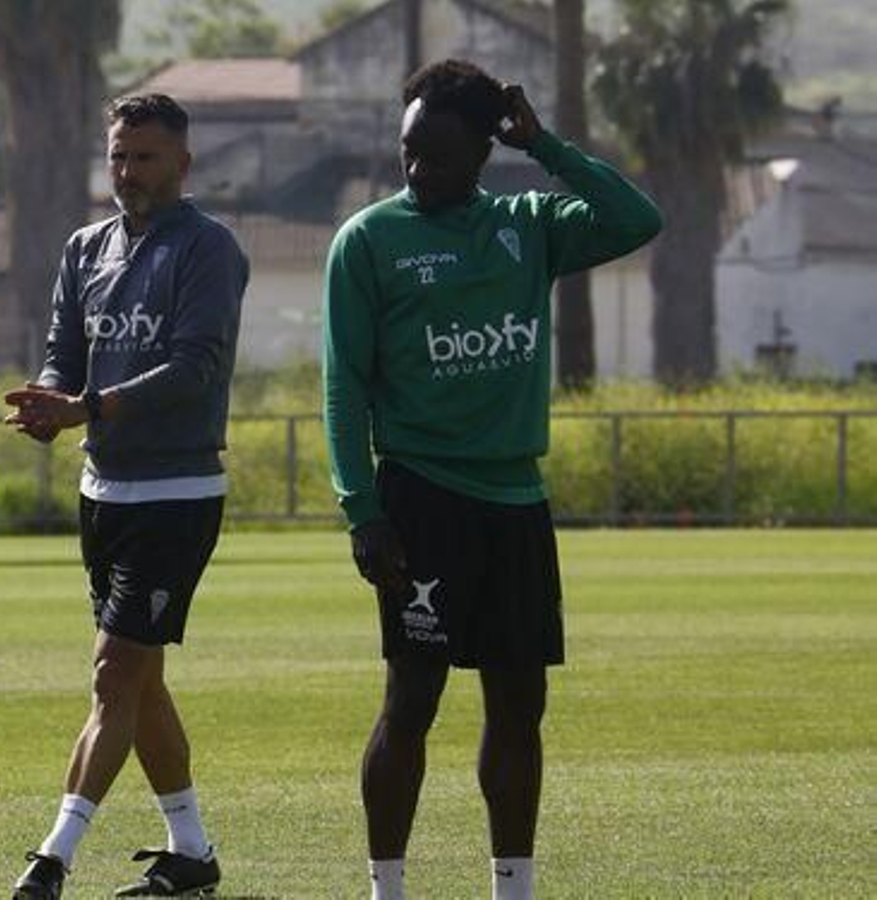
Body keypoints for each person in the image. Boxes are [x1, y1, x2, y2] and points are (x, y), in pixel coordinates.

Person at [322, 60, 662, 900]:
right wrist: (362, 510)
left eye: (438, 155)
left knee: (519, 710)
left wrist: (546, 146)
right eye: (408, 153)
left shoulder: (529, 225)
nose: (418, 171)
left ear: (485, 147)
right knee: (412, 706)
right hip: (421, 500)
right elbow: (343, 386)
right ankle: (387, 889)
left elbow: (636, 218)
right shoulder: (368, 240)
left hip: (516, 505)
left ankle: (513, 889)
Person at [4, 93, 247, 899]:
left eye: (145, 157)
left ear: (183, 162)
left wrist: (90, 408)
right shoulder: (85, 248)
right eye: (117, 155)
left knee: (114, 672)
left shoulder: (209, 249)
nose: (128, 171)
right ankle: (193, 853)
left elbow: (195, 366)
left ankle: (52, 858)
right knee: (140, 680)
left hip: (177, 492)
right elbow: (62, 353)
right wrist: (47, 400)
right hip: (102, 491)